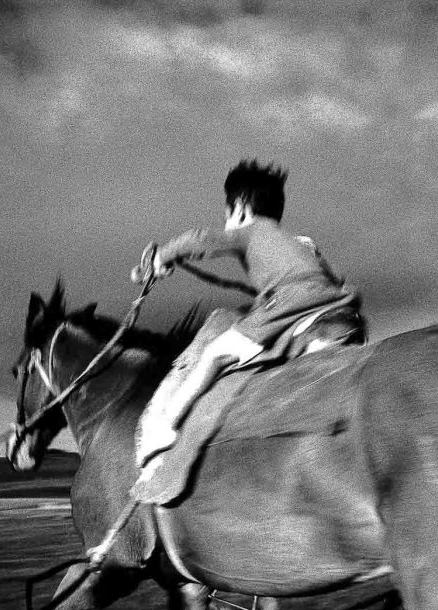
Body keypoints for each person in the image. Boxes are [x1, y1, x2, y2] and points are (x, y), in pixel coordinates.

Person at [133, 159, 365, 479]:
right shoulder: (304, 243)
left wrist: (162, 256)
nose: (227, 222)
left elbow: (200, 239)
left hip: (293, 307)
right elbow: (336, 279)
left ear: (240, 209)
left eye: (227, 213)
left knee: (214, 354)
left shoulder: (250, 232)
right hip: (343, 311)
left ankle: (164, 428)